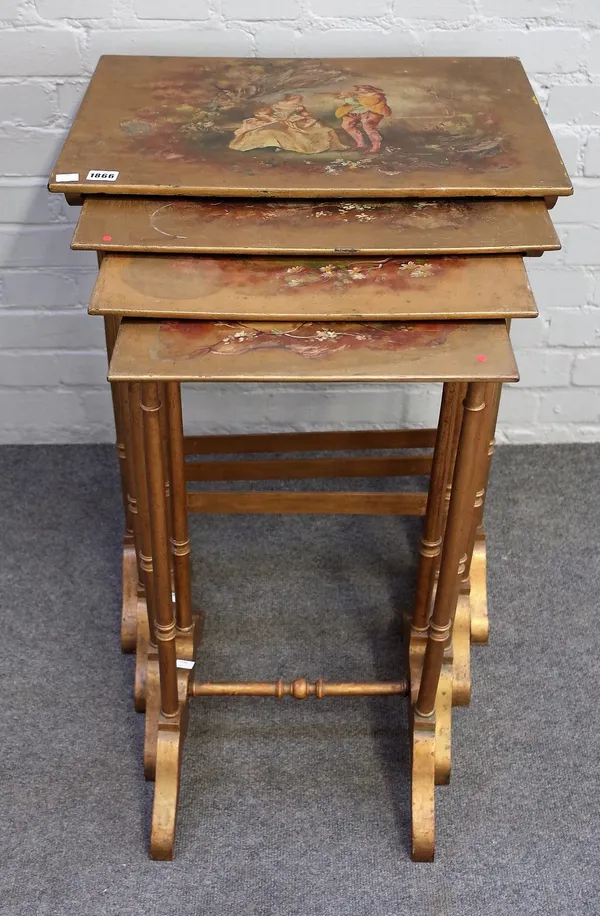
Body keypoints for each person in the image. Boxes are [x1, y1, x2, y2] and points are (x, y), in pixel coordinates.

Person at [229, 94, 345, 154]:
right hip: (279, 121)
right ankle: (269, 146)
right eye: (297, 98)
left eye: (299, 99)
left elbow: (306, 115)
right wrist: (267, 117)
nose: (299, 100)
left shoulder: (299, 107)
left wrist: (307, 118)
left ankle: (280, 146)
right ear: (291, 98)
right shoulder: (276, 105)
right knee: (268, 131)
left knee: (306, 132)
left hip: (294, 121)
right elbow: (266, 113)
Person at [335, 85, 392, 153]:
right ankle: (361, 144)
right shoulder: (360, 96)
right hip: (353, 113)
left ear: (370, 90)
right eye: (359, 90)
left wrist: (348, 97)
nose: (360, 91)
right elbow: (353, 102)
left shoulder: (376, 96)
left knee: (368, 127)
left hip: (369, 114)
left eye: (362, 90)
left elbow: (357, 101)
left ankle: (376, 147)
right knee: (346, 125)